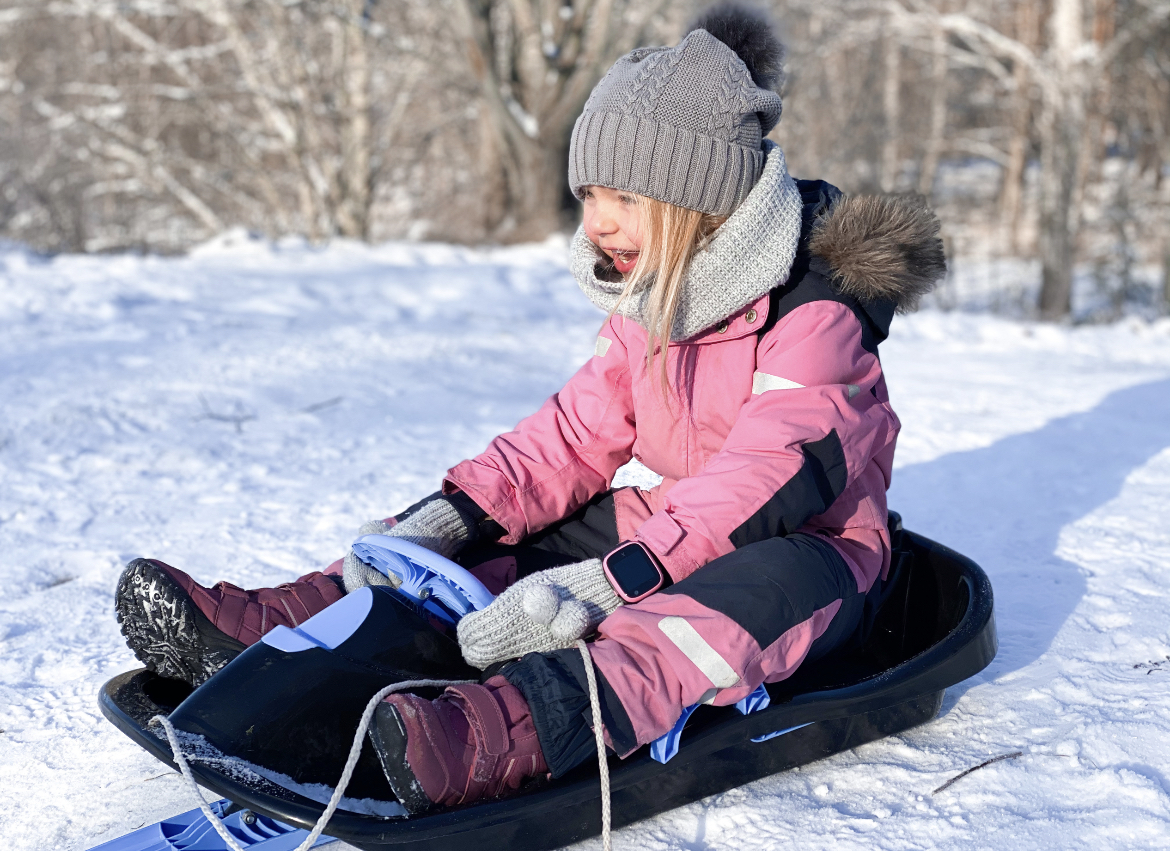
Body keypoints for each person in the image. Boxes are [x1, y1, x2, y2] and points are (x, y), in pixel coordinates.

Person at [115, 2, 946, 815]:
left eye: (622, 196)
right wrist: (448, 520)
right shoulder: (658, 295)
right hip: (671, 522)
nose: (596, 223)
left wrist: (615, 581)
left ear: (697, 200)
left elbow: (768, 480)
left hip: (814, 555)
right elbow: (571, 436)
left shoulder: (818, 317)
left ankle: (506, 728)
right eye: (587, 194)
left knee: (703, 622)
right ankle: (305, 620)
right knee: (513, 549)